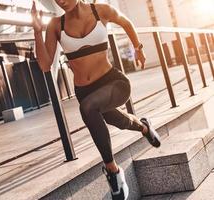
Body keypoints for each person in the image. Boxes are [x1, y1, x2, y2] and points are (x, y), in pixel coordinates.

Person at [31, 0, 161, 199]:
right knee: (118, 120)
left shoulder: (101, 10)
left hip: (114, 83)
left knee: (88, 108)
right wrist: (37, 31)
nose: (61, 1)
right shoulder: (56, 25)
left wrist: (138, 47)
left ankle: (114, 173)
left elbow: (126, 23)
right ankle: (144, 127)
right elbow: (45, 65)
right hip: (85, 90)